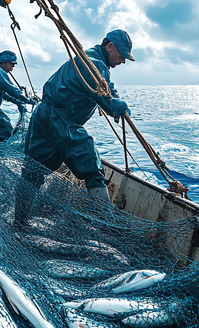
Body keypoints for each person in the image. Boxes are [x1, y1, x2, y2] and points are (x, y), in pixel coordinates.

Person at [18, 29, 133, 223]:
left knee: (33, 172)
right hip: (61, 121)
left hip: (42, 116)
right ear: (110, 46)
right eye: (121, 54)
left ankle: (19, 223)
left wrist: (114, 96)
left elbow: (107, 87)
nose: (122, 60)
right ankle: (109, 226)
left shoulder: (89, 58)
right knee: (91, 163)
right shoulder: (95, 65)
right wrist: (120, 106)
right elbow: (108, 103)